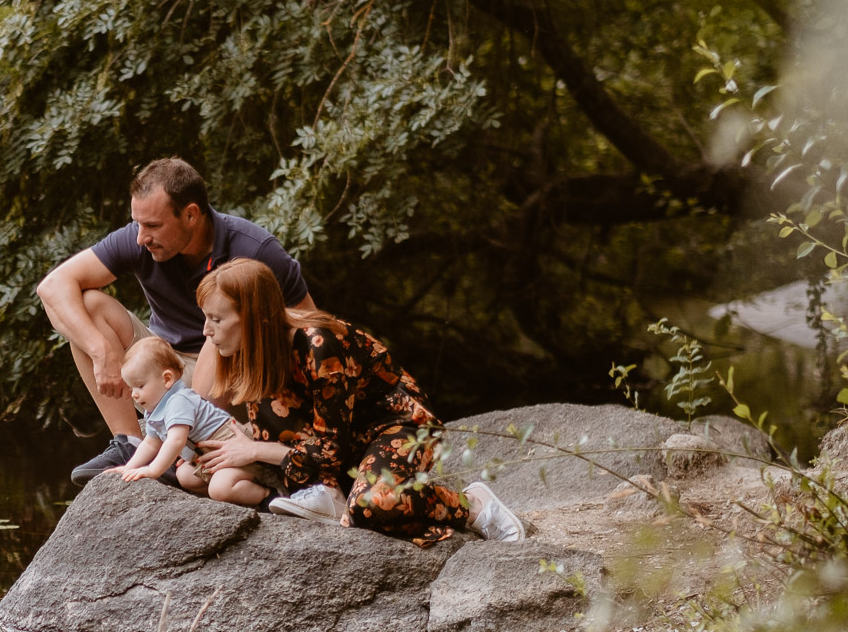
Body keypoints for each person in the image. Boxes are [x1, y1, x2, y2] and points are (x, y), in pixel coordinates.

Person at [190, 258, 525, 545]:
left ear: (252, 317)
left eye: (216, 319)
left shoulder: (318, 343)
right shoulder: (248, 353)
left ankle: (471, 504)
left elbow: (329, 451)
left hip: (396, 426)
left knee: (370, 506)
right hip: (340, 446)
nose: (206, 330)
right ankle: (346, 493)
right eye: (205, 318)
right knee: (215, 476)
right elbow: (276, 433)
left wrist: (254, 451)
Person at [37, 157, 316, 484]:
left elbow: (311, 329)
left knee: (213, 334)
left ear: (191, 215)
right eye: (137, 223)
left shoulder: (254, 248)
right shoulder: (139, 238)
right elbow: (52, 287)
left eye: (153, 226)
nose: (141, 237)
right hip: (169, 369)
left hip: (237, 377)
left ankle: (186, 451)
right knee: (88, 306)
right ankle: (130, 443)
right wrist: (102, 352)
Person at [105, 337, 240, 494]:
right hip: (208, 456)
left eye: (140, 386)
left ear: (167, 379)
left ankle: (264, 495)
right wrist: (129, 467)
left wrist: (152, 470)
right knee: (184, 475)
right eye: (131, 388)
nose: (134, 394)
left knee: (222, 488)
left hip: (231, 452)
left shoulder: (179, 400)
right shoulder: (155, 410)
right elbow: (151, 443)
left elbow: (176, 440)